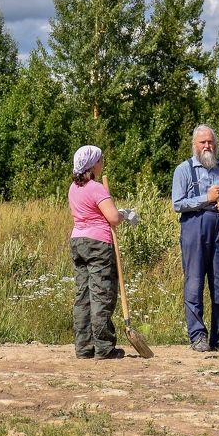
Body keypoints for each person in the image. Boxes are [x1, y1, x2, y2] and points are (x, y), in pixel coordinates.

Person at [172, 125, 219, 353]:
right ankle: (197, 336)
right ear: (195, 145)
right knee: (194, 282)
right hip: (194, 227)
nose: (207, 146)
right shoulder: (183, 170)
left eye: (210, 142)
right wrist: (206, 198)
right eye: (202, 142)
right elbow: (177, 204)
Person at [68, 144, 128, 360]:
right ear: (93, 165)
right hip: (98, 243)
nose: (102, 163)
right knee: (101, 293)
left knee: (83, 295)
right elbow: (112, 217)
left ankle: (84, 346)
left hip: (78, 240)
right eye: (100, 160)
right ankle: (104, 347)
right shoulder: (96, 188)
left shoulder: (73, 188)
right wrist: (124, 214)